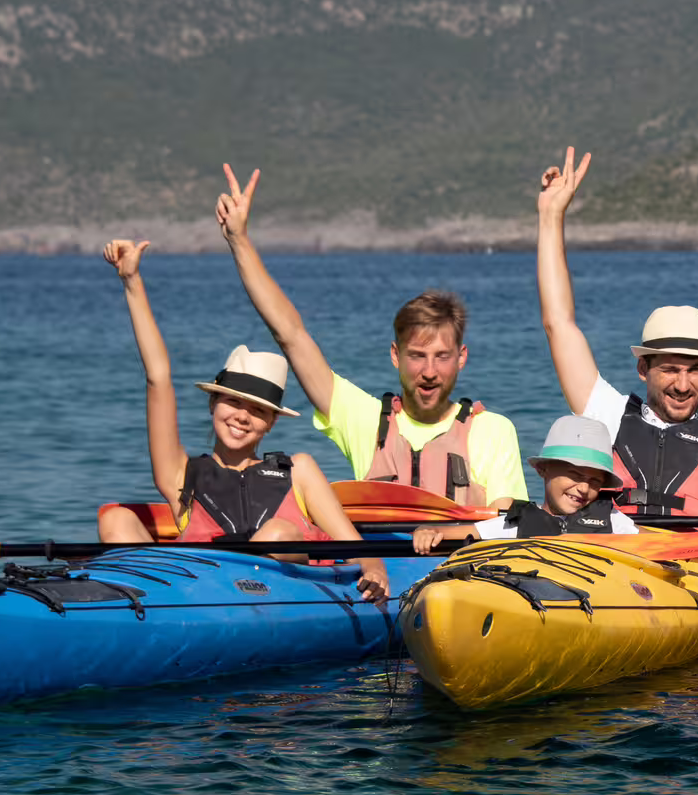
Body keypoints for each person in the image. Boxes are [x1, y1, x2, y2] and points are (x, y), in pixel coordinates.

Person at [216, 165, 527, 508]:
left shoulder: (493, 431)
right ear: (395, 355)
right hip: (382, 563)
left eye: (442, 356)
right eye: (416, 356)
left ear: (461, 358)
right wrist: (239, 240)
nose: (429, 371)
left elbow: (506, 526)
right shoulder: (365, 421)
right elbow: (291, 335)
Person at [95, 239, 387, 601]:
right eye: (233, 402)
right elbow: (158, 377)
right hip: (195, 594)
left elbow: (354, 546)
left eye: (259, 410)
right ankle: (138, 608)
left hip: (285, 593)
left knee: (277, 533)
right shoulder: (181, 475)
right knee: (115, 520)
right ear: (213, 404)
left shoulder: (298, 471)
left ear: (271, 423)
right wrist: (132, 281)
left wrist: (374, 568)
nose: (242, 416)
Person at [534, 146, 698, 517]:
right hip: (611, 571)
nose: (683, 385)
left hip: (692, 574)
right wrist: (551, 216)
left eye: (695, 370)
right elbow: (559, 324)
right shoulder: (606, 414)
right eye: (670, 368)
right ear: (643, 369)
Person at [411, 416, 639, 553]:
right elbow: (458, 533)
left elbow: (652, 541)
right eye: (575, 474)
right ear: (543, 469)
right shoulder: (515, 524)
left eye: (595, 481)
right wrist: (427, 531)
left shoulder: (613, 522)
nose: (583, 488)